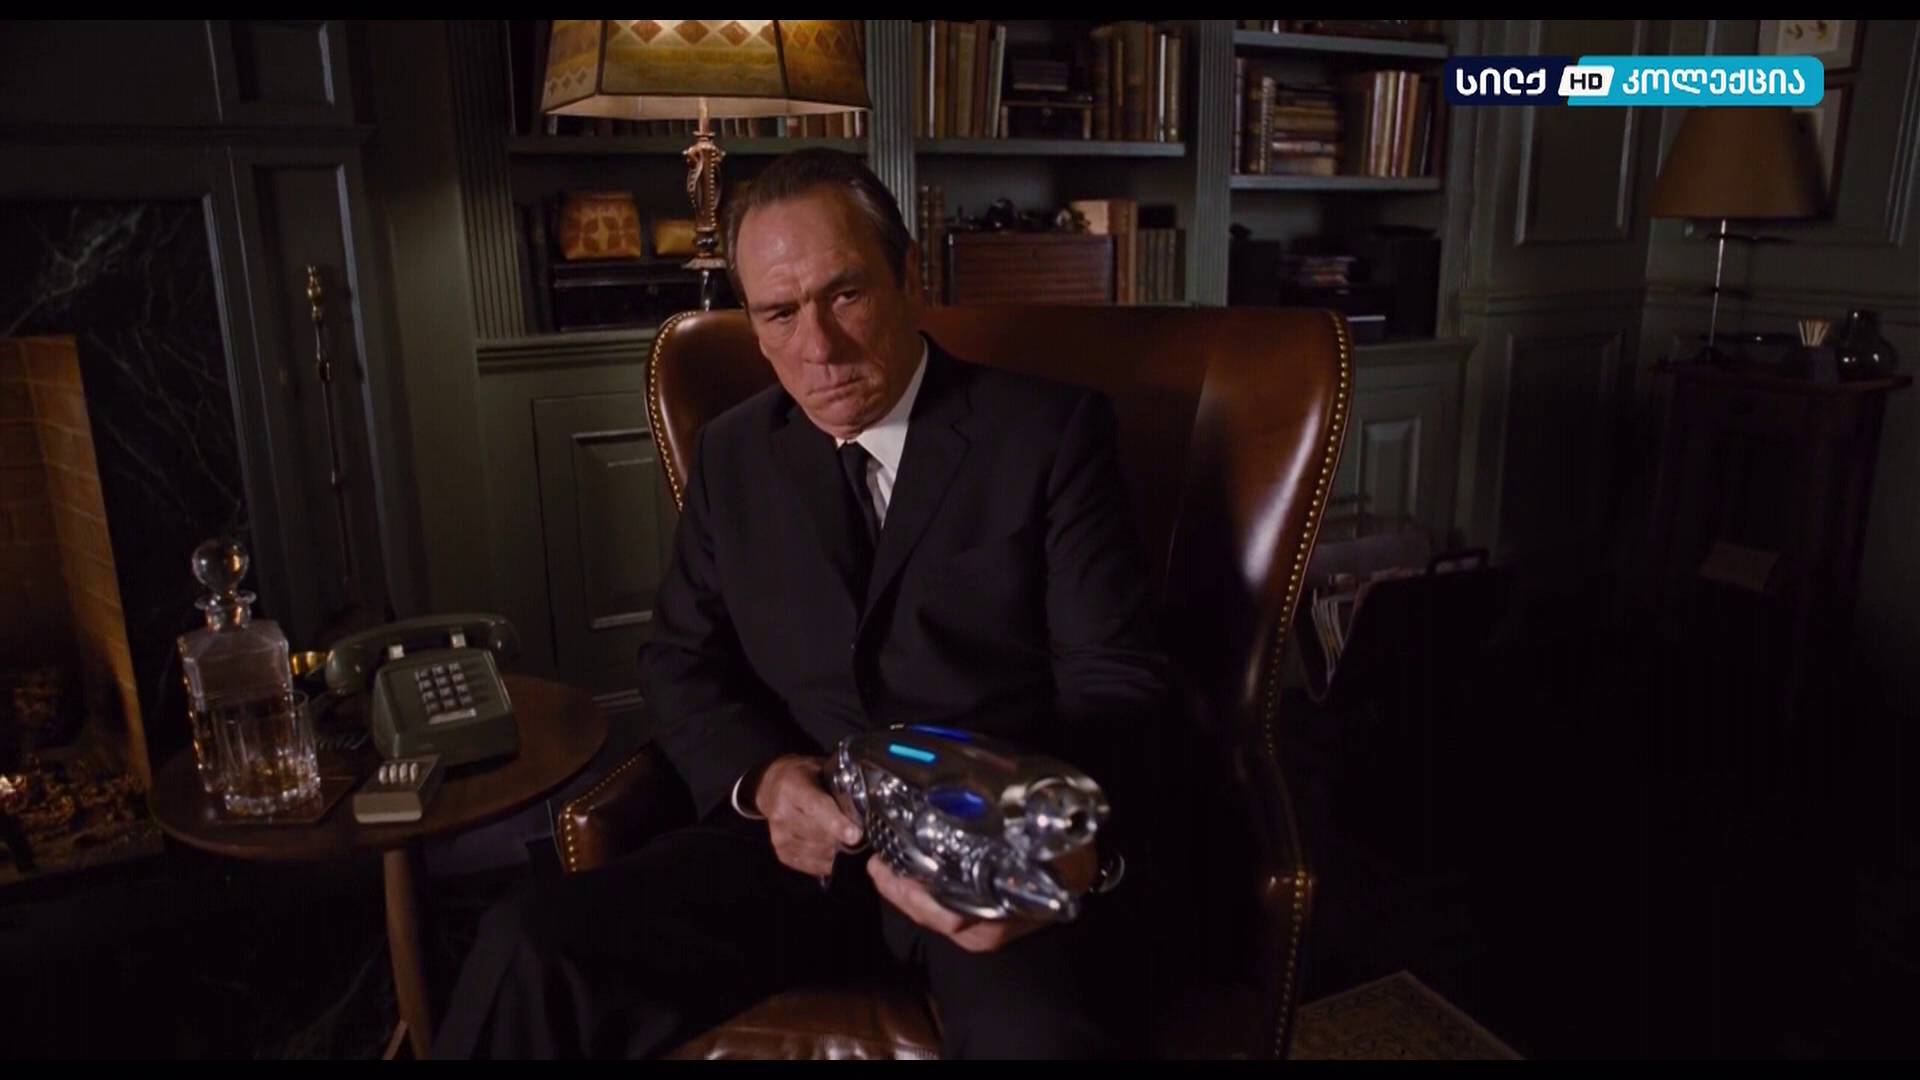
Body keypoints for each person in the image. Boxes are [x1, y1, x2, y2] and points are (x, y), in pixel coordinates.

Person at [433, 149, 1168, 1060]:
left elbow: (1115, 682)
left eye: (845, 295)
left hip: (980, 857)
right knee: (529, 944)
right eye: (780, 313)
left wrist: (1058, 845)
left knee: (1039, 1041)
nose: (819, 349)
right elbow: (680, 662)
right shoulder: (734, 453)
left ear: (908, 276)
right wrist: (764, 780)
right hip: (790, 852)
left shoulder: (1048, 433)